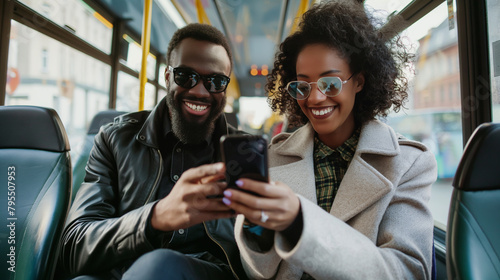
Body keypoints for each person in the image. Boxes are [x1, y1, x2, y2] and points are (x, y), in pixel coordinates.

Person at [221, 1, 437, 279]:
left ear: (359, 81)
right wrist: (255, 226)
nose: (314, 98)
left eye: (330, 83)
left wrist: (299, 222)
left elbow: (408, 272)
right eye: (302, 86)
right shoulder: (274, 156)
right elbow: (258, 273)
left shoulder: (409, 164)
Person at [59, 23, 247, 280]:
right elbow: (74, 248)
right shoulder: (115, 140)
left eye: (215, 81)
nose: (199, 91)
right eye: (185, 76)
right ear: (168, 77)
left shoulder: (244, 151)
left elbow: (261, 251)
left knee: (160, 266)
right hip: (127, 270)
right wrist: (154, 218)